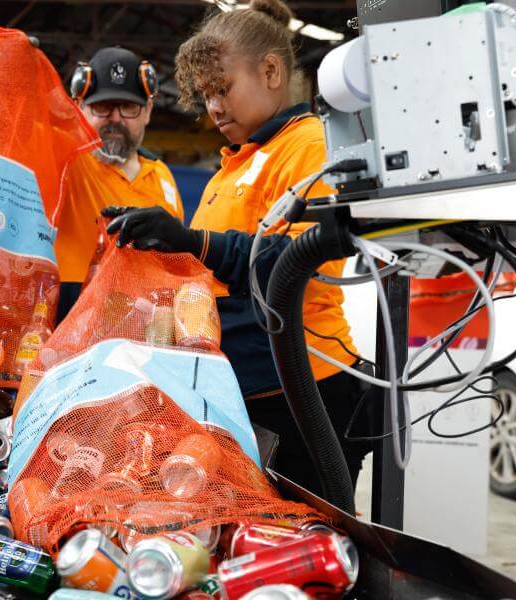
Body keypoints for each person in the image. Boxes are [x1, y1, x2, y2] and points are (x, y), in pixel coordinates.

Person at [103, 0, 373, 494]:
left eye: (222, 89)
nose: (213, 108)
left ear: (270, 70)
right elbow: (208, 274)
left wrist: (194, 241)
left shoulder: (307, 147)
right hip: (243, 388)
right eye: (205, 95)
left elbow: (290, 267)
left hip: (304, 389)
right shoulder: (230, 167)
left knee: (307, 537)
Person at [54, 47, 184, 321]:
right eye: (102, 106)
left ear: (147, 111)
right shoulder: (63, 161)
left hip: (146, 327)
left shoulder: (162, 178)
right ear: (80, 108)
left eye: (128, 107)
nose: (115, 118)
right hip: (70, 323)